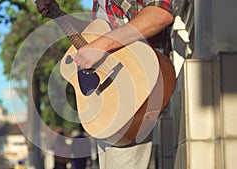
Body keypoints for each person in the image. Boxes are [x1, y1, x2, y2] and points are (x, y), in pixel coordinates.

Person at [36, 0, 174, 168]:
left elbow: (160, 14)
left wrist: (101, 45)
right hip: (107, 102)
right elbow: (96, 33)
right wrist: (56, 13)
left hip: (134, 85)